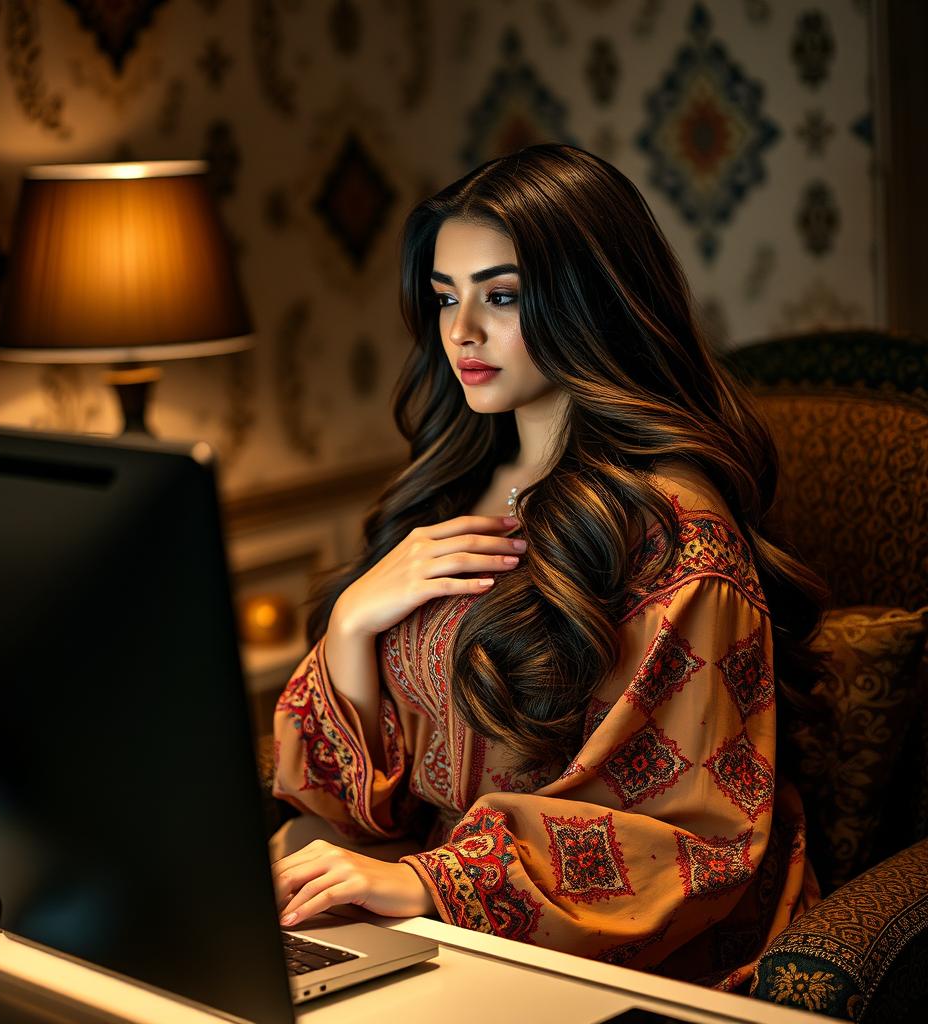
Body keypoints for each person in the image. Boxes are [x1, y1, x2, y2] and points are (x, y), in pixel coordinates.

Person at [270, 143, 824, 990]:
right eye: (445, 297)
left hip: (601, 960)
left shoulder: (679, 532)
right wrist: (352, 624)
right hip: (421, 920)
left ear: (590, 300)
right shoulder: (450, 490)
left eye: (501, 296)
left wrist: (431, 882)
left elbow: (692, 835)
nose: (461, 332)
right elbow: (343, 808)